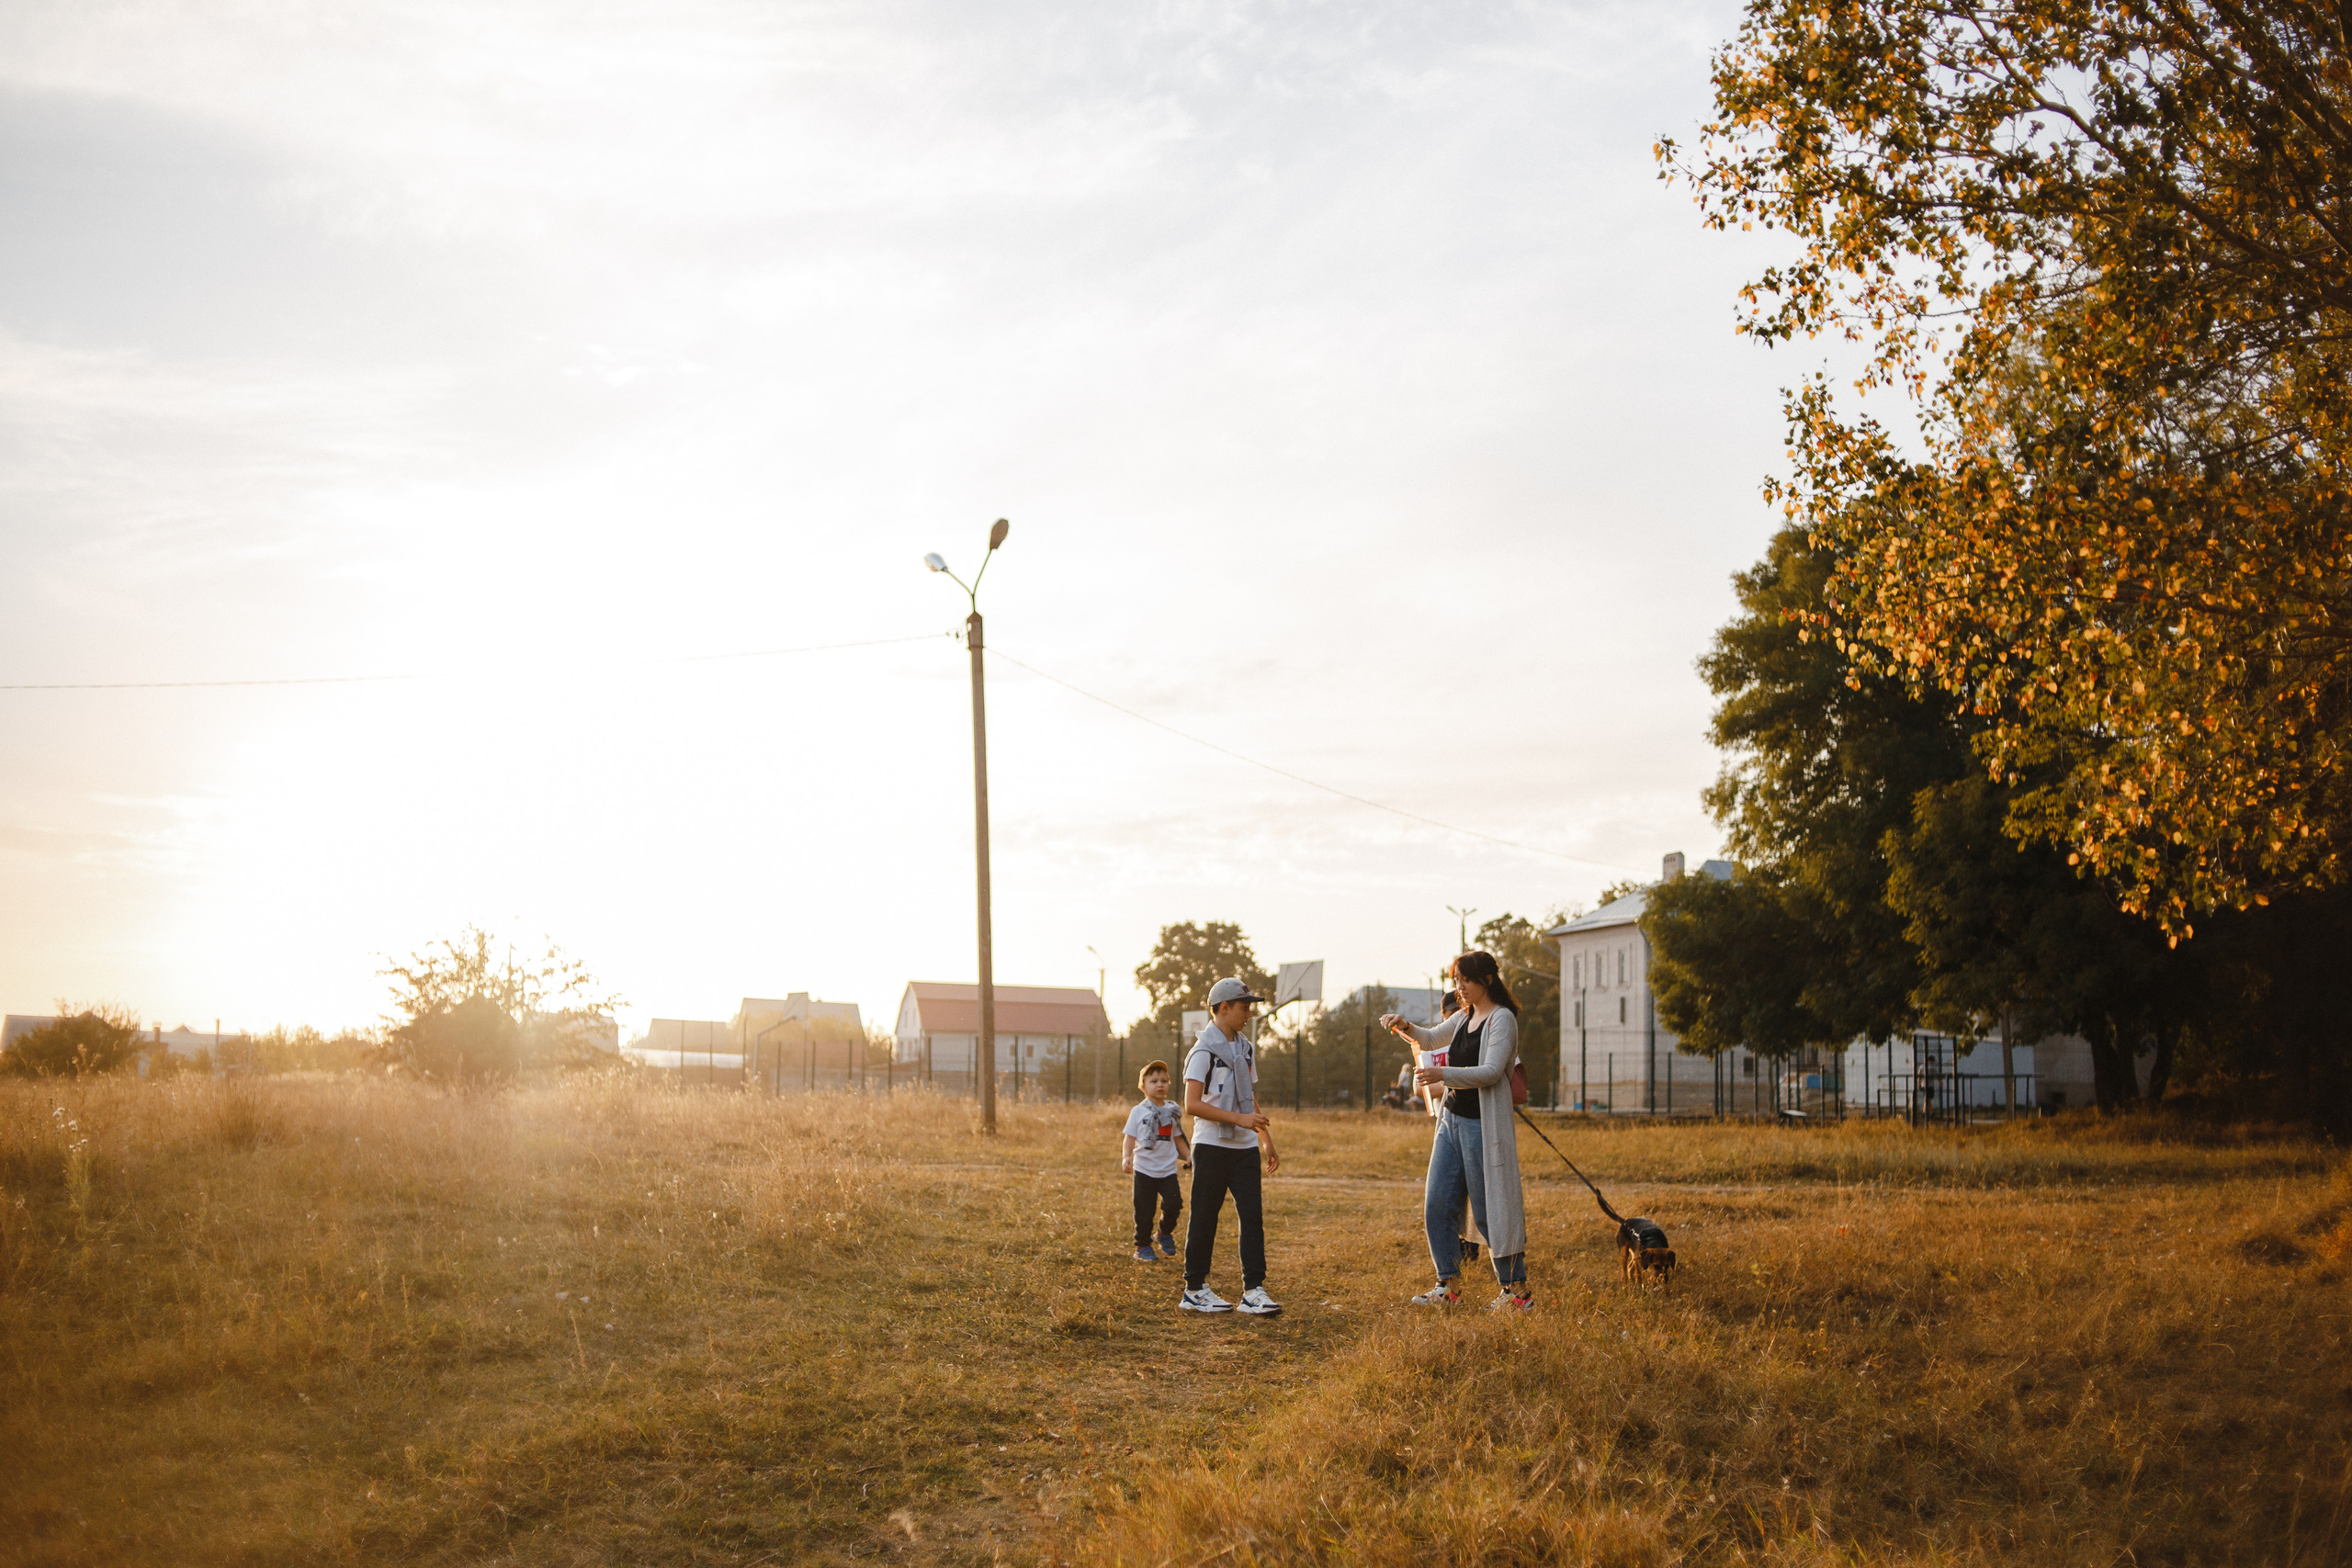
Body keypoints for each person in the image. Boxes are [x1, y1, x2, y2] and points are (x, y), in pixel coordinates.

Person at [1383, 952, 1532, 1311]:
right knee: (1438, 1203)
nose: (1459, 988)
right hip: (1450, 1122)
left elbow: (1493, 1071)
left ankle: (1517, 1292)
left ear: (1487, 980)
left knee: (1488, 1210)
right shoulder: (1464, 1016)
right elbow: (1431, 1039)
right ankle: (1447, 1285)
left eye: (1465, 980)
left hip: (1483, 1127)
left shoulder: (1502, 1020)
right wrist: (1405, 1026)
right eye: (1455, 981)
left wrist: (1443, 1076)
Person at [1179, 977, 1282, 1316]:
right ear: (1224, 1008)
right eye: (1244, 1006)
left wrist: (1265, 1140)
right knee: (1205, 1217)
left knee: (1252, 1217)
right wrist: (1237, 1120)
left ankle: (1254, 1291)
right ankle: (1194, 1289)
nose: (1249, 1013)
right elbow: (1191, 1105)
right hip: (1211, 1146)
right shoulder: (1202, 1052)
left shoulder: (1245, 1048)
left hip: (1244, 1148)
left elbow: (1249, 1097)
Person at [1120, 1060, 1191, 1262]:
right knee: (1144, 1211)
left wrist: (1188, 1155)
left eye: (1164, 1081)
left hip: (1167, 1170)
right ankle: (1142, 1246)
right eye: (1153, 1081)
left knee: (1174, 1203)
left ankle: (1163, 1233)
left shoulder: (1172, 1111)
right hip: (1144, 1170)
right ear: (1143, 1087)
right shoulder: (1138, 1112)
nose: (1160, 1085)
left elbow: (1178, 1138)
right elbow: (1129, 1137)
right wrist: (1126, 1157)